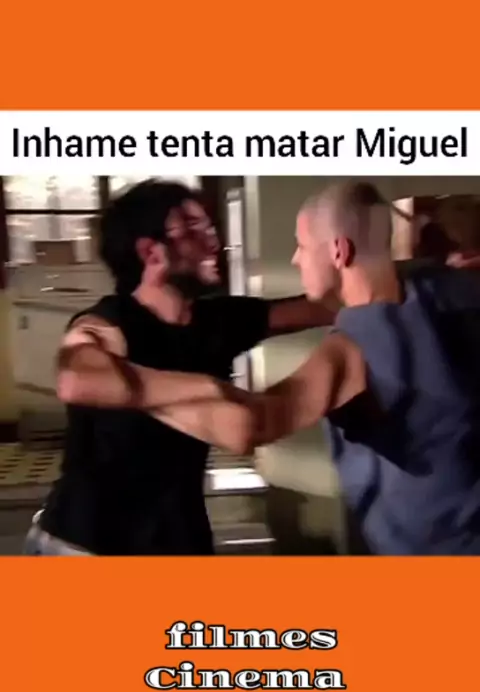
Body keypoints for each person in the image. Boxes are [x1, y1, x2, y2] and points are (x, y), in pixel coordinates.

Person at [154, 181, 480, 555]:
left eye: (303, 246)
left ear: (339, 251)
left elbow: (252, 424)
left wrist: (135, 386)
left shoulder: (351, 349)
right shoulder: (449, 287)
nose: (296, 258)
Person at [24, 179, 338, 556]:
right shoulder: (108, 323)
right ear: (151, 252)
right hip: (82, 549)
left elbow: (322, 307)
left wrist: (395, 276)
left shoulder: (219, 320)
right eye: (191, 227)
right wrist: (210, 387)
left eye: (208, 225)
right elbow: (76, 379)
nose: (213, 240)